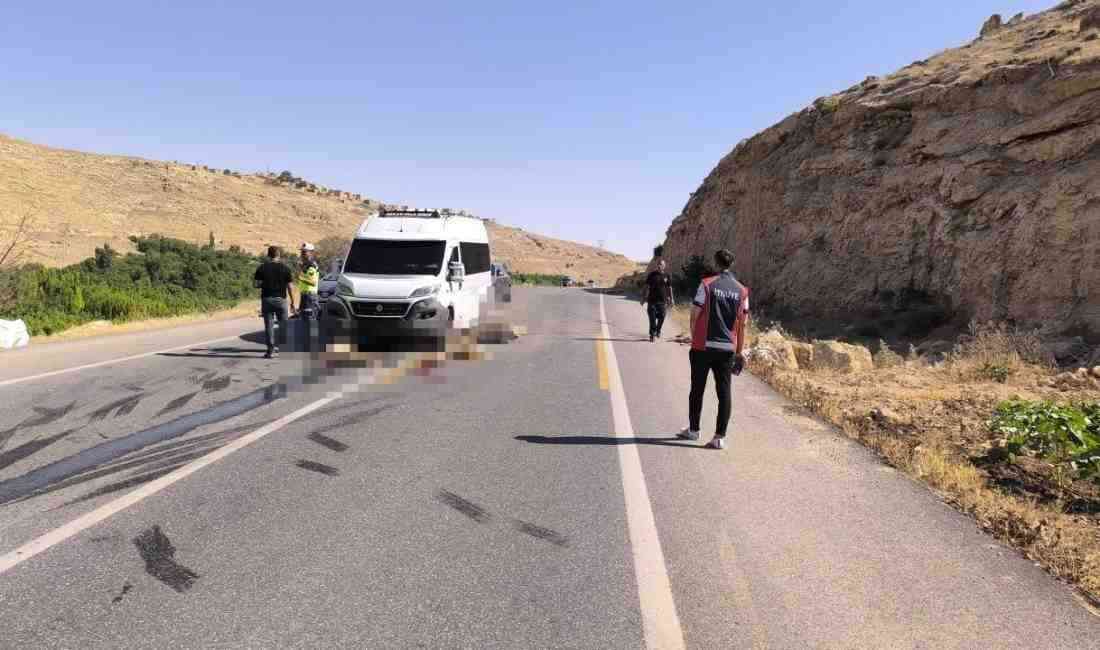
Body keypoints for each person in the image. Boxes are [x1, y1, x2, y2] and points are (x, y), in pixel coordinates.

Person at [678, 249, 749, 450]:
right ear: (731, 264)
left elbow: (694, 313)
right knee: (724, 392)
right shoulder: (742, 291)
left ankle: (693, 430)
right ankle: (719, 437)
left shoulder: (706, 284)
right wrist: (739, 351)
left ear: (716, 263)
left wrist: (695, 337)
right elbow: (743, 323)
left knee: (697, 389)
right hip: (727, 349)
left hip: (703, 346)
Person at [254, 246, 294, 358]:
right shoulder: (285, 268)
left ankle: (270, 351)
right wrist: (292, 301)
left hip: (267, 299)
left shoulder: (262, 268)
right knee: (283, 325)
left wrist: (265, 284)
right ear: (279, 255)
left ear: (268, 255)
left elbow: (255, 284)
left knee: (269, 326)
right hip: (281, 300)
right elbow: (290, 286)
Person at [640, 259, 673, 342]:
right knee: (652, 318)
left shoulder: (667, 275)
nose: (659, 266)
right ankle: (652, 334)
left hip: (662, 301)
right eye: (658, 264)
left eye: (661, 264)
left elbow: (669, 288)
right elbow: (646, 286)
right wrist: (643, 298)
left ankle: (658, 330)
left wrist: (672, 299)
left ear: (664, 266)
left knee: (662, 316)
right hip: (652, 301)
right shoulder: (652, 275)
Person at [296, 242, 321, 320]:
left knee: (310, 321)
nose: (302, 254)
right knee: (303, 320)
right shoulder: (305, 264)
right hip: (305, 295)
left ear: (311, 253)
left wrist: (301, 278)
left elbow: (313, 282)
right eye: (301, 251)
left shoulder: (312, 265)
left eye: (304, 252)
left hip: (310, 296)